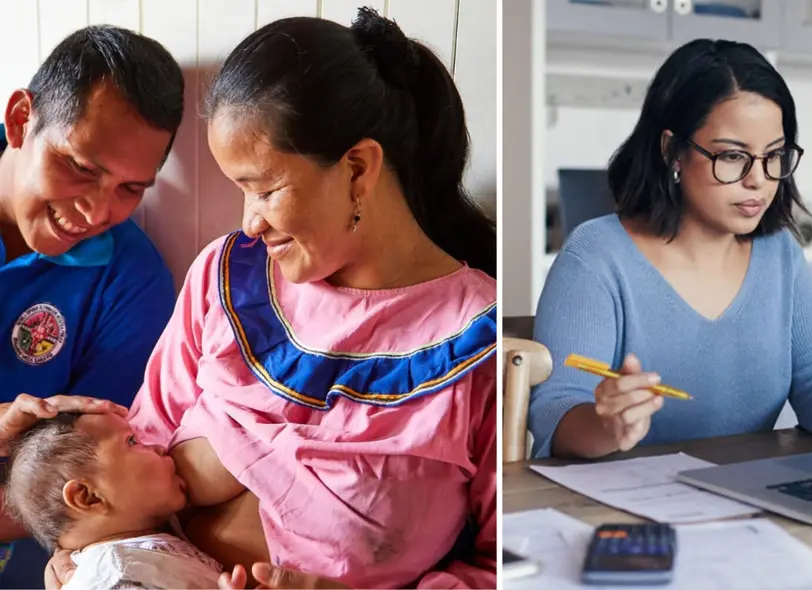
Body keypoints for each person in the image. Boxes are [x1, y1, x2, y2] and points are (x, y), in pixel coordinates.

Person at [40, 9, 497, 590]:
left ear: (358, 169)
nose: (249, 223)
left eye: (265, 189)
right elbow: (139, 441)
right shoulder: (228, 277)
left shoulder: (478, 347)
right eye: (239, 192)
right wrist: (73, 548)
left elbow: (501, 567)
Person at [528, 39, 812, 460]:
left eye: (774, 156)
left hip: (746, 499)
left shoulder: (780, 254)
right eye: (733, 156)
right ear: (673, 152)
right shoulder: (597, 256)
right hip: (622, 510)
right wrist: (606, 425)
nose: (758, 180)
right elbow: (556, 410)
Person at [0, 25, 183, 587]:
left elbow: (95, 493)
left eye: (131, 188)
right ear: (19, 120)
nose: (96, 211)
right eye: (81, 166)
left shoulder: (132, 280)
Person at [5, 412, 225, 590]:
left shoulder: (147, 541)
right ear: (87, 497)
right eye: (132, 441)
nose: (158, 447)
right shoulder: (115, 576)